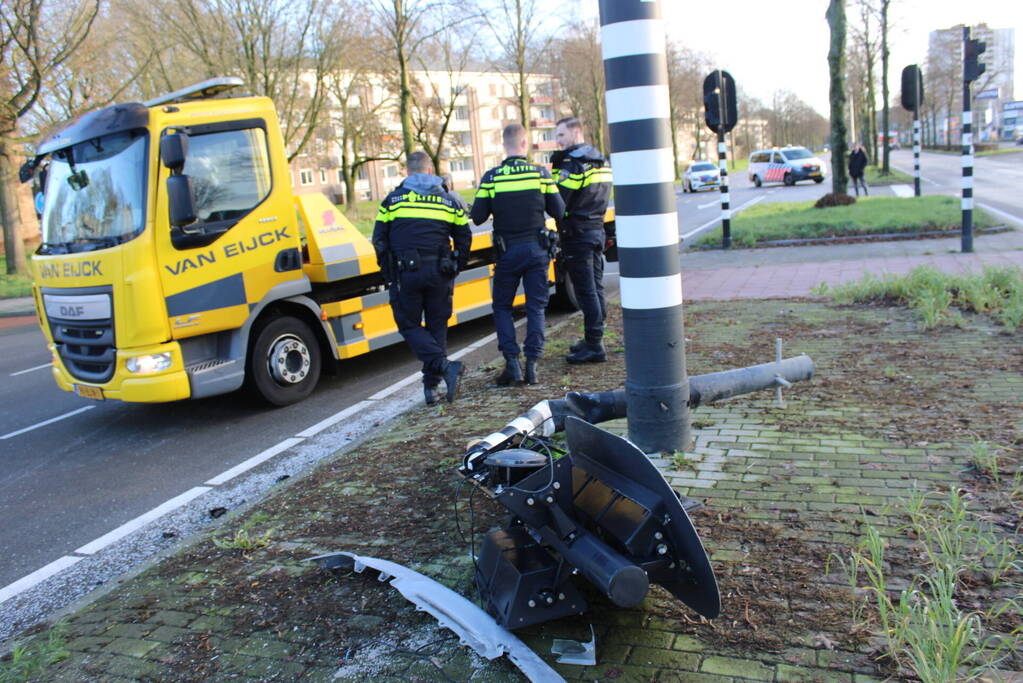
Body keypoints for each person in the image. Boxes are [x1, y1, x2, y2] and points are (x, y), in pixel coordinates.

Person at [372, 151, 472, 405]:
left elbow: (379, 240)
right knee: (437, 327)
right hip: (440, 272)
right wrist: (455, 266)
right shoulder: (448, 200)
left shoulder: (392, 201)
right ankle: (433, 387)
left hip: (406, 274)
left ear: (407, 172)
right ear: (430, 171)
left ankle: (438, 375)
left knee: (408, 325)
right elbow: (464, 236)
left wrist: (388, 273)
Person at [471, 123, 565, 386]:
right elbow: (559, 211)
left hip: (507, 252)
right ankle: (532, 365)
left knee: (502, 306)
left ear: (504, 145)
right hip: (537, 251)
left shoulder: (491, 178)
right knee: (536, 306)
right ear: (525, 144)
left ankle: (512, 364)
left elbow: (477, 217)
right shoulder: (541, 174)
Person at [551, 117, 613, 363]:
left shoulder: (573, 164)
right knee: (595, 288)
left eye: (561, 135)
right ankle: (593, 338)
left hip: (577, 234)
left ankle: (595, 345)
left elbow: (558, 201)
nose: (558, 141)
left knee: (585, 290)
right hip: (596, 229)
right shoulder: (600, 160)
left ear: (576, 132)